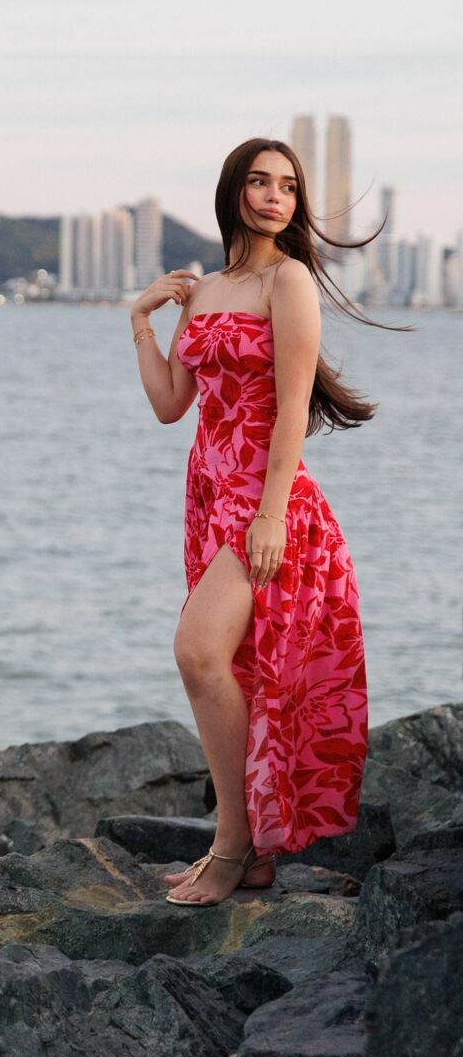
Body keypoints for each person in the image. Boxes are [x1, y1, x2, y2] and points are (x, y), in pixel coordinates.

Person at [128, 137, 408, 906]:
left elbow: (291, 408)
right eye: (260, 181)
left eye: (287, 185)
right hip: (209, 495)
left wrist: (272, 515)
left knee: (197, 652)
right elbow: (170, 404)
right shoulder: (207, 289)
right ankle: (244, 851)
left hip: (267, 502)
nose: (275, 196)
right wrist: (142, 319)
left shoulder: (289, 280)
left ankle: (231, 847)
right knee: (226, 664)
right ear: (235, 191)